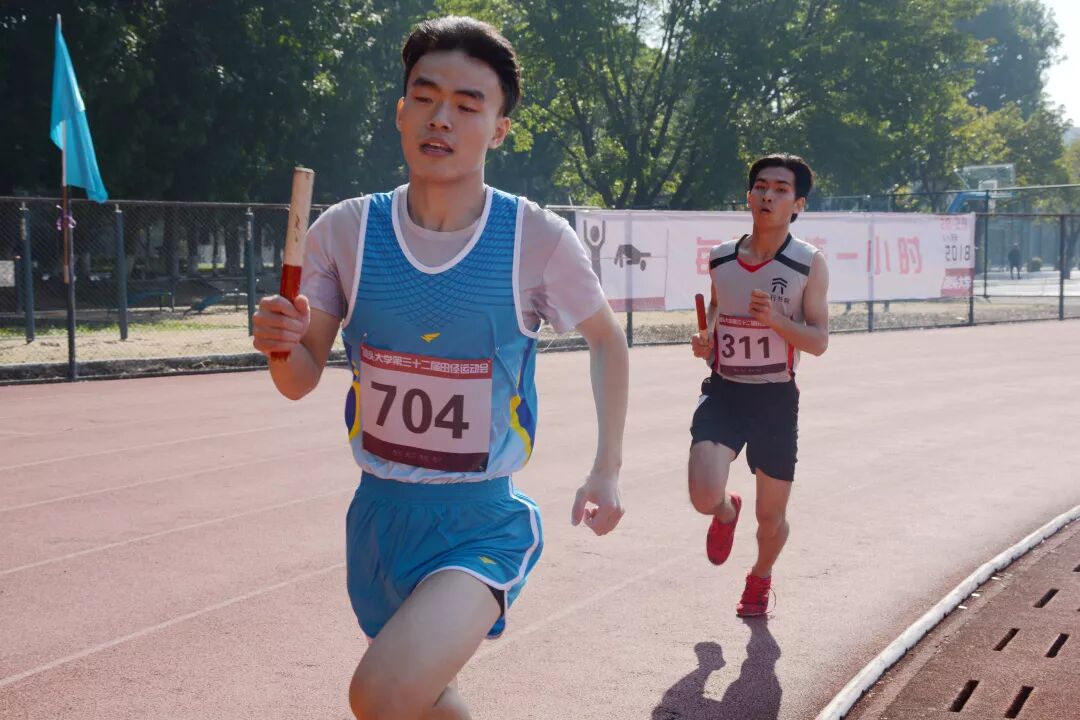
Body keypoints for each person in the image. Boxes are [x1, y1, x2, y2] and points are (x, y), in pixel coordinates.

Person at [252, 16, 629, 719]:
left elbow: (608, 340)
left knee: (381, 693)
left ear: (500, 129)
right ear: (401, 111)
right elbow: (298, 378)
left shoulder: (536, 239)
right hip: (377, 518)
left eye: (467, 104)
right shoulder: (346, 231)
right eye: (425, 97)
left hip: (482, 522)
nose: (441, 119)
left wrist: (606, 468)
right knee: (424, 703)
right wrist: (280, 343)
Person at [688, 154, 829, 617]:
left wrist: (775, 321)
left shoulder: (808, 263)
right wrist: (707, 337)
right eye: (761, 187)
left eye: (781, 190)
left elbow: (819, 341)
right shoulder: (721, 257)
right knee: (702, 495)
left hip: (774, 400)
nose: (769, 196)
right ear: (749, 196)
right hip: (725, 392)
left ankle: (760, 576)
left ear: (798, 204)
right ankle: (725, 511)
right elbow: (716, 307)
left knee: (770, 519)